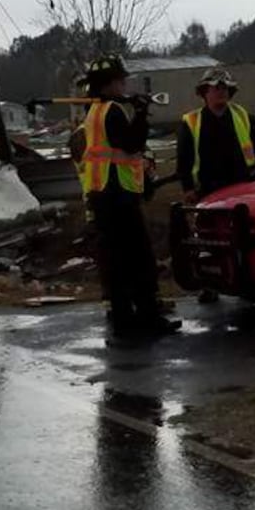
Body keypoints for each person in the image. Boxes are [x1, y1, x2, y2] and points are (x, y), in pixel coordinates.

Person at [79, 54, 180, 341]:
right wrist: (142, 113)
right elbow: (132, 144)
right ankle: (147, 316)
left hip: (102, 193)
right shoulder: (112, 111)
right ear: (110, 84)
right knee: (139, 257)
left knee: (116, 260)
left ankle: (125, 317)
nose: (125, 84)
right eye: (121, 80)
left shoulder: (95, 112)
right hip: (118, 194)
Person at [176, 68, 255, 301]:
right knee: (209, 237)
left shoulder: (242, 116)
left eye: (225, 88)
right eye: (216, 88)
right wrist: (187, 187)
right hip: (208, 189)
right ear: (204, 93)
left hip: (244, 186)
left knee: (244, 236)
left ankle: (247, 279)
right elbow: (184, 158)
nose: (221, 93)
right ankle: (211, 284)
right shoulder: (192, 121)